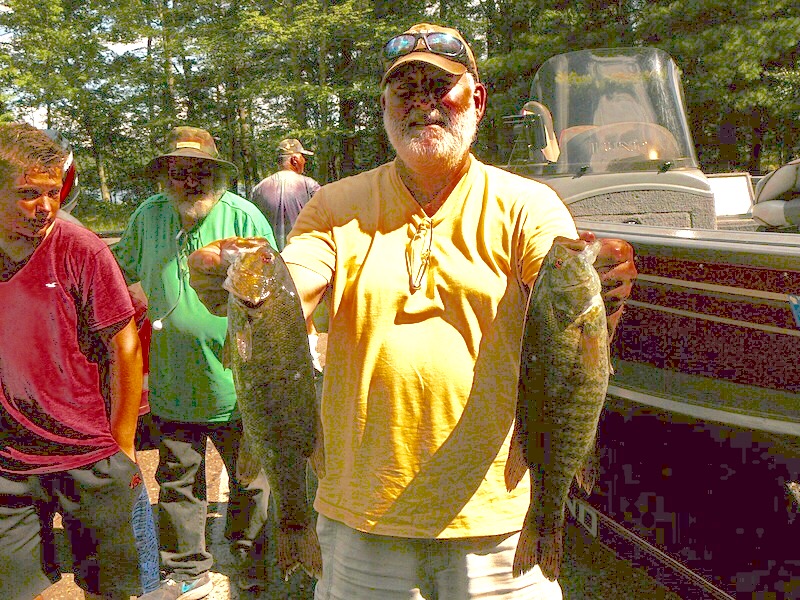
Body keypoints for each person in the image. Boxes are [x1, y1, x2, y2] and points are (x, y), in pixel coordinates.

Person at [188, 23, 637, 600]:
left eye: (440, 86)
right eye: (406, 90)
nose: (423, 103)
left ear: (475, 99)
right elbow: (292, 283)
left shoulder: (528, 204)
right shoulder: (333, 205)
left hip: (495, 519)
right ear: (384, 106)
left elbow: (557, 281)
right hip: (359, 517)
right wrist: (231, 273)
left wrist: (602, 275)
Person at [112, 126, 275, 600]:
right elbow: (121, 270)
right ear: (165, 177)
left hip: (238, 382)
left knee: (251, 479)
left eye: (202, 171)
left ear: (218, 174)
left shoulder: (244, 218)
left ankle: (250, 558)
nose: (191, 181)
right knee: (178, 480)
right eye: (179, 173)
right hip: (172, 383)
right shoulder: (148, 217)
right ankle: (187, 569)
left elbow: (281, 292)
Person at [0, 122, 150, 600]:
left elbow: (124, 343)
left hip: (90, 451)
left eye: (52, 193)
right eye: (28, 193)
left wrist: (122, 445)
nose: (44, 207)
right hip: (11, 461)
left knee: (109, 589)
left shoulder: (79, 247)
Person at [250, 138, 321, 250]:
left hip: (271, 258)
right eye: (303, 157)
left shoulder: (258, 189)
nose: (305, 161)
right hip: (301, 256)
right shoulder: (309, 185)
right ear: (295, 160)